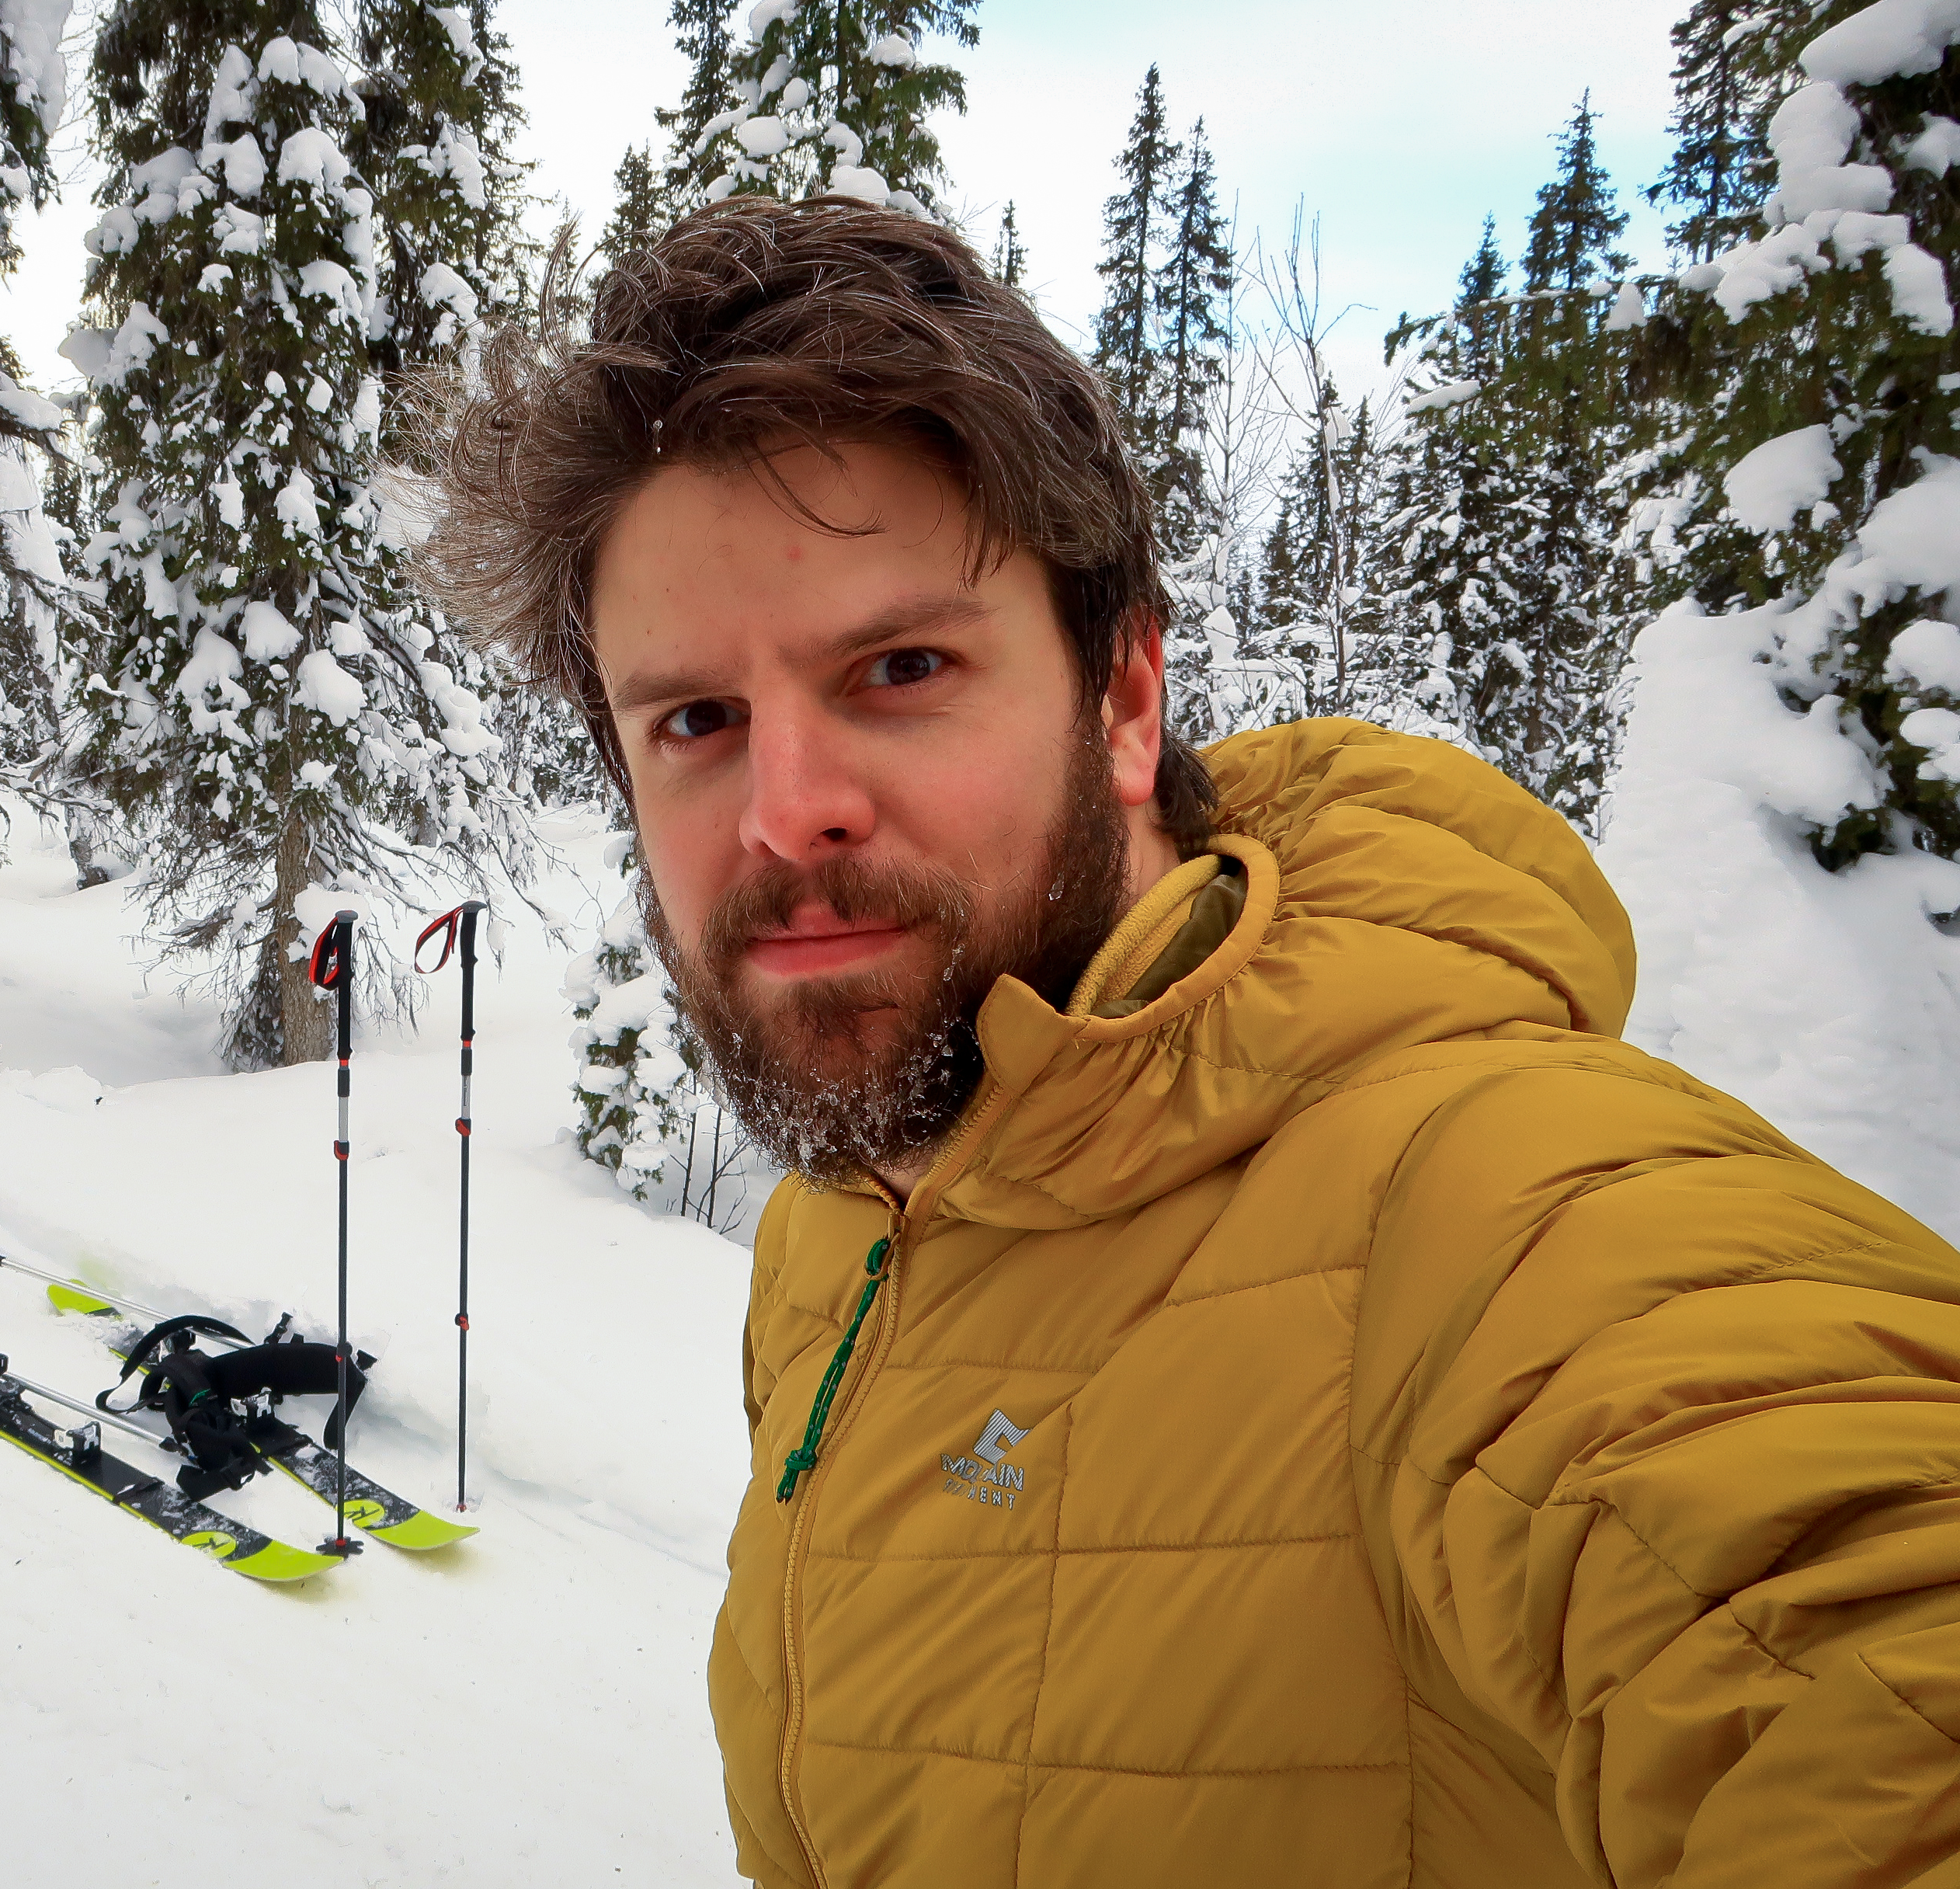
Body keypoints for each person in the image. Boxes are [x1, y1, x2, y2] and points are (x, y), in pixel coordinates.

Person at [416, 195, 1960, 1888]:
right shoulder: (851, 1219)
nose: (787, 815)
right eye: (696, 719)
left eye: (902, 666)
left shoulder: (1498, 1223)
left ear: (1127, 701)